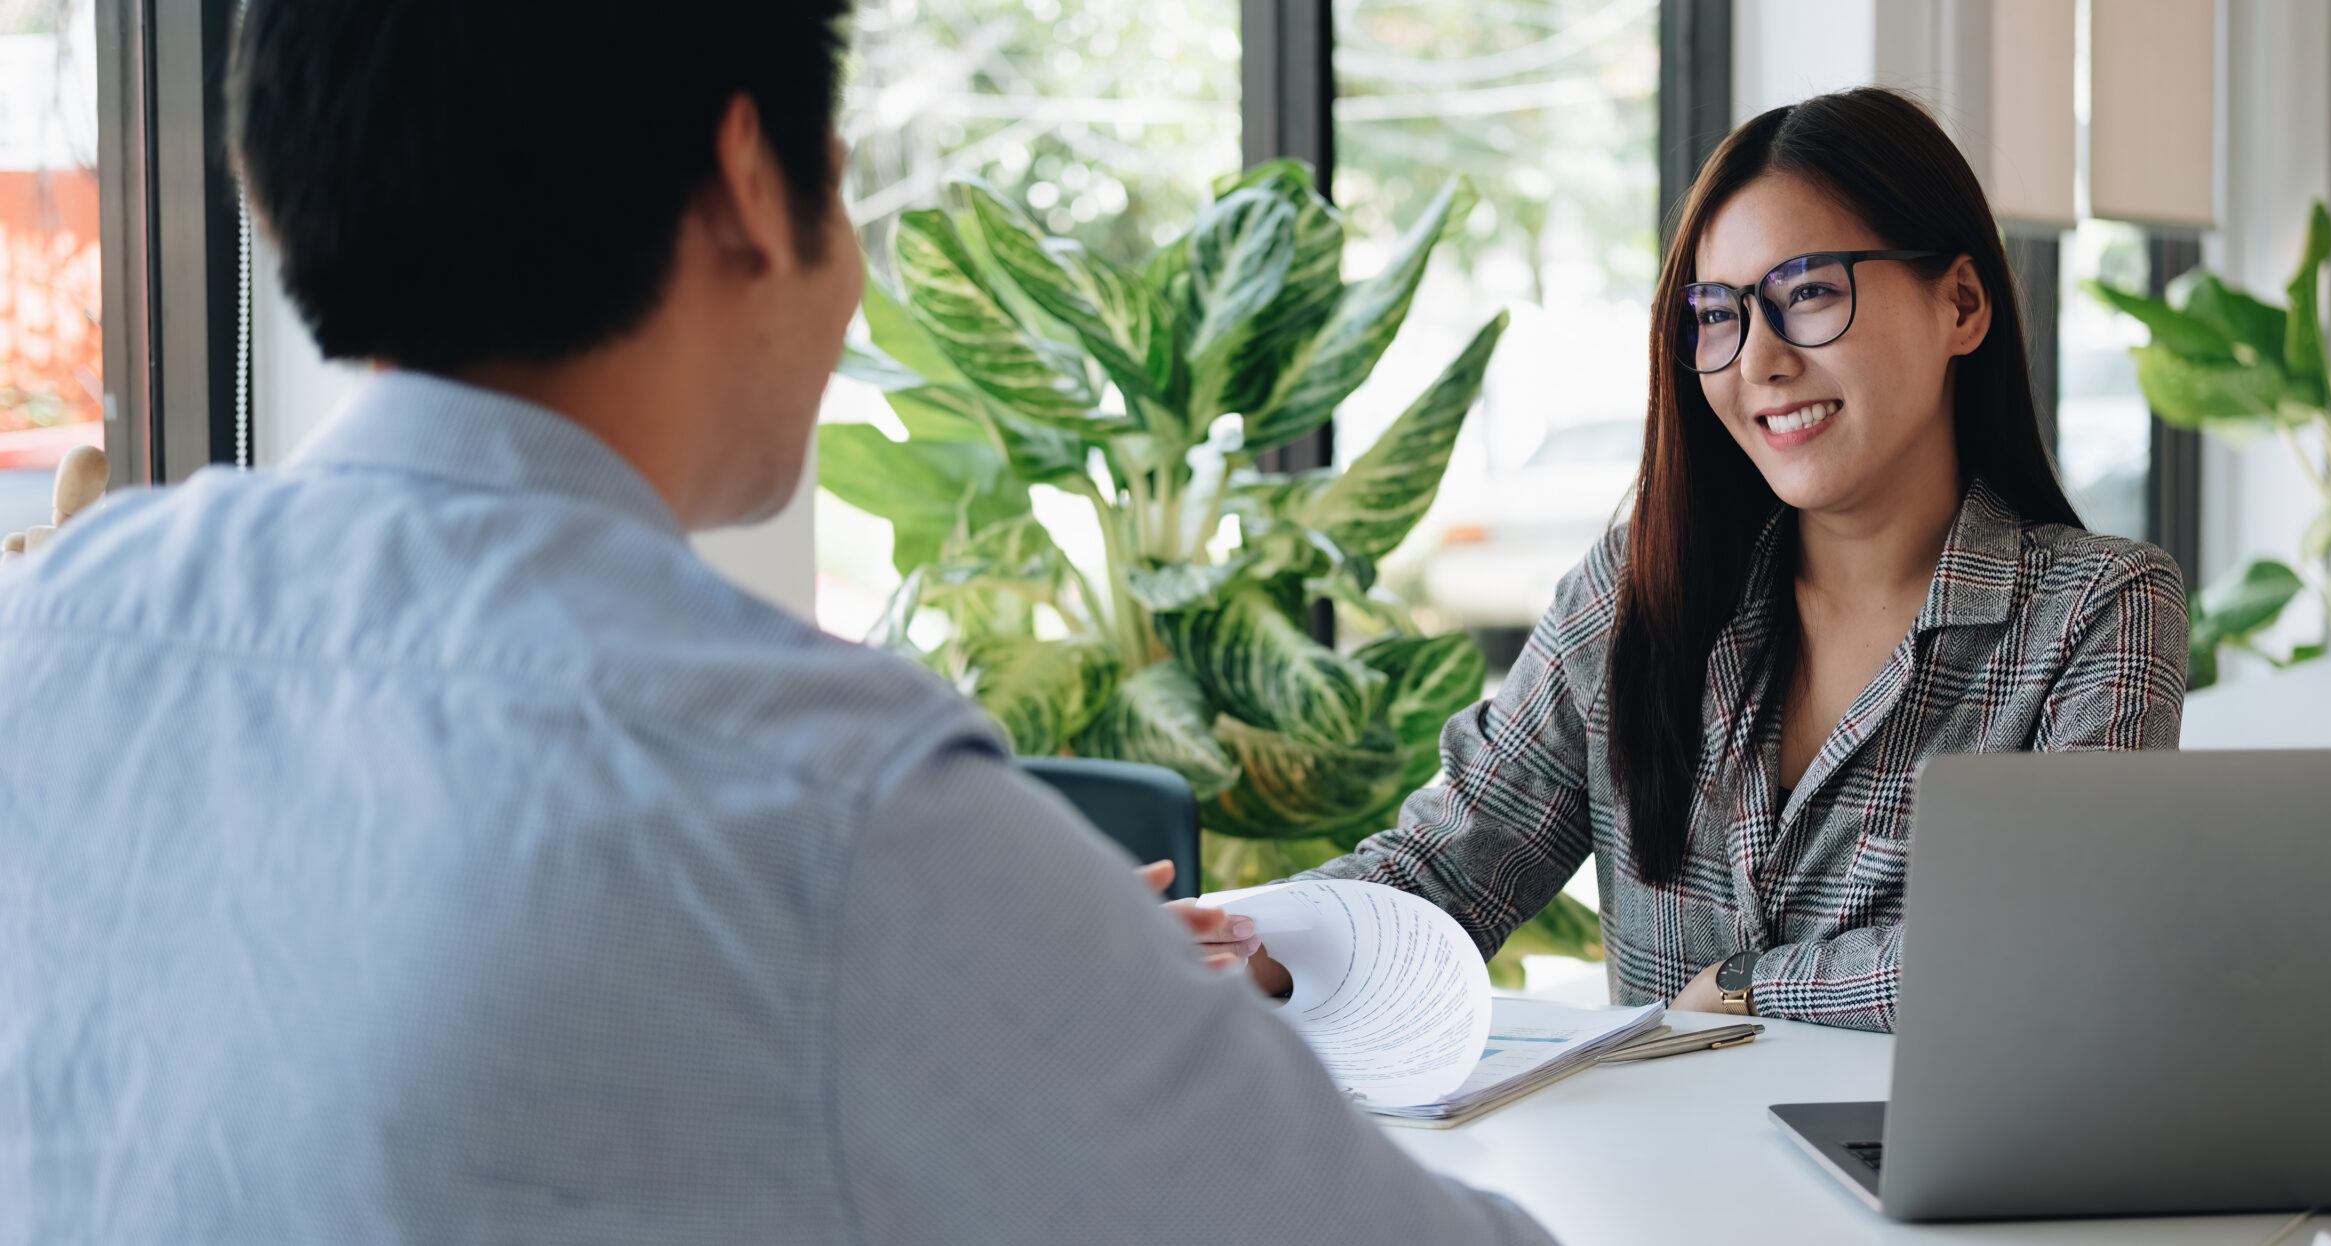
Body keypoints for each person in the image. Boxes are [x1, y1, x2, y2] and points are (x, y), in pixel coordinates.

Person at [0, 3, 1553, 1243]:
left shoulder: (50, 636)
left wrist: (1006, 965)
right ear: (751, 179)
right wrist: (1001, 958)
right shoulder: (821, 801)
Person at [1191, 88, 2187, 1034]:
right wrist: (1238, 939)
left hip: (1930, 1199)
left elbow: (2060, 944)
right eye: (1717, 315)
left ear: (1961, 304)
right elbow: (1447, 869)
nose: (1758, 359)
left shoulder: (2095, 609)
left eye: (1807, 294)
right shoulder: (1635, 593)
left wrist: (1749, 986)